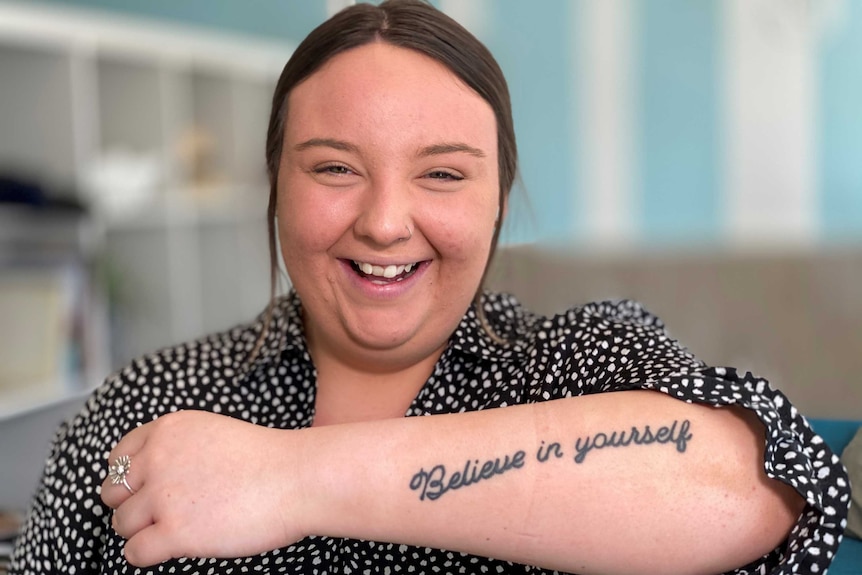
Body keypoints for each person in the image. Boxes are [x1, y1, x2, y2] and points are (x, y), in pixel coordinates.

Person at [11, 1, 851, 574]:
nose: (384, 222)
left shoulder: (581, 358)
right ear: (276, 183)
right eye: (335, 167)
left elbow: (766, 485)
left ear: (497, 201)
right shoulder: (151, 403)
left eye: (443, 174)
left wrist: (292, 477)